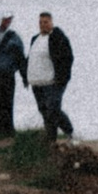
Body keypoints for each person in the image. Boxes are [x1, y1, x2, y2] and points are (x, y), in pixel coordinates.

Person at [26, 9, 74, 139]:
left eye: (46, 22)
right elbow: (30, 59)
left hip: (52, 82)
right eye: (41, 22)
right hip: (37, 82)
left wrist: (62, 79)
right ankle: (50, 137)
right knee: (44, 110)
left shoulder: (57, 37)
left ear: (51, 22)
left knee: (53, 110)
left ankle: (66, 131)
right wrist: (26, 77)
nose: (43, 25)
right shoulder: (35, 39)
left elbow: (67, 58)